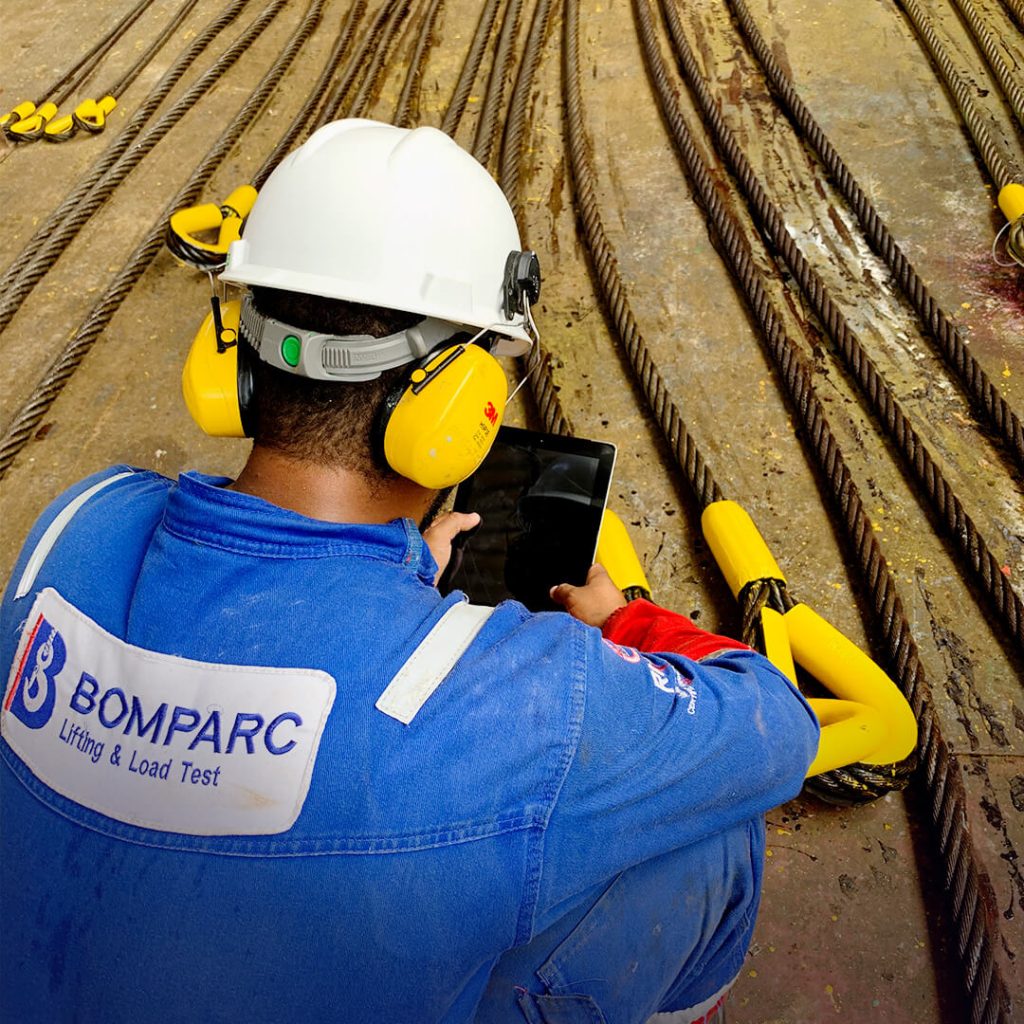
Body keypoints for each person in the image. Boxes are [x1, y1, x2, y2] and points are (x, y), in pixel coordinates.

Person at [0, 119, 819, 1024]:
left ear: (234, 358)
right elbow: (774, 726)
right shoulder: (523, 701)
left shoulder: (69, 530)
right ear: (459, 413)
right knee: (711, 838)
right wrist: (622, 622)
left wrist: (380, 596)